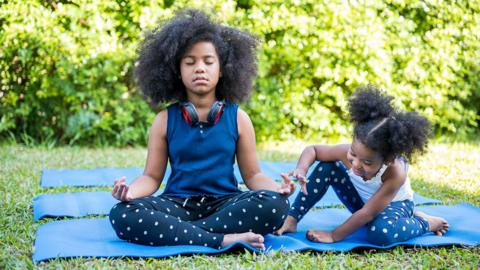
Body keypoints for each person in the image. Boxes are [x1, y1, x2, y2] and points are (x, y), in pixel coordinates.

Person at [109, 9, 294, 250]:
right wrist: (130, 193)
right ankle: (220, 238)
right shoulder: (164, 120)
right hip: (177, 206)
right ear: (178, 70)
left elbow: (252, 176)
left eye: (208, 62)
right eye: (190, 62)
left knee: (276, 205)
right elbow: (152, 177)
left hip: (226, 204)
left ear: (222, 69)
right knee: (122, 214)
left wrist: (277, 189)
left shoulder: (239, 118)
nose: (199, 68)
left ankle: (184, 234)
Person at [276, 85, 449, 245]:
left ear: (387, 160)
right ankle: (292, 218)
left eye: (367, 162)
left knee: (380, 234)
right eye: (353, 153)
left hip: (394, 207)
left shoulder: (395, 172)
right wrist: (301, 169)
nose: (356, 164)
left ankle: (424, 222)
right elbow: (313, 149)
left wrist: (334, 235)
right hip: (363, 203)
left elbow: (368, 213)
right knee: (327, 166)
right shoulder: (349, 156)